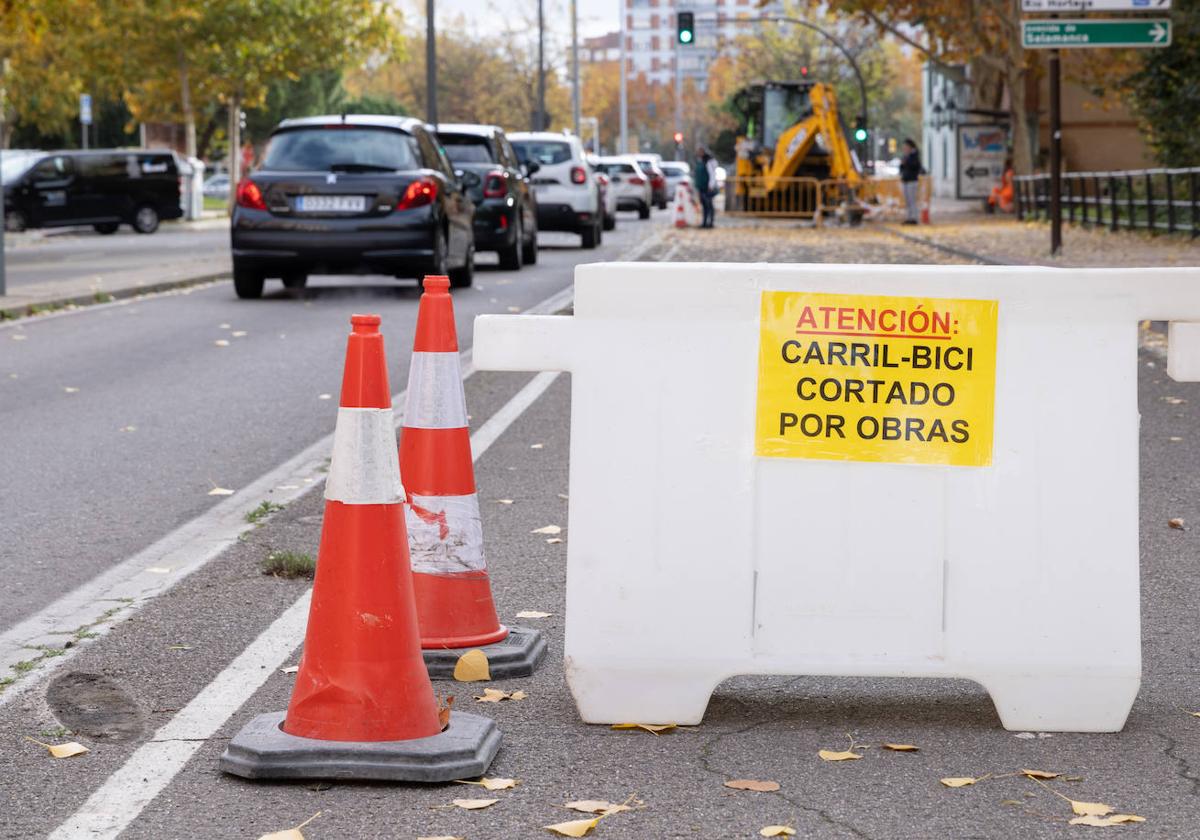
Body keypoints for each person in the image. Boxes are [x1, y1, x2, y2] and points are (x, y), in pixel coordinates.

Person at [899, 138, 925, 225]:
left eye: (906, 147)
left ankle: (914, 218)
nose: (905, 149)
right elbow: (902, 168)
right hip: (905, 180)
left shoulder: (914, 156)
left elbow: (915, 167)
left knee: (912, 200)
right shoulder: (906, 156)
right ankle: (909, 217)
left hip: (912, 181)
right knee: (907, 201)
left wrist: (906, 162)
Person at [694, 145, 718, 228]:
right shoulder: (700, 161)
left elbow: (712, 174)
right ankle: (704, 222)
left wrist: (711, 185)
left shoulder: (708, 161)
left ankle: (710, 222)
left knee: (709, 205)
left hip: (707, 187)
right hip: (701, 187)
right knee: (704, 205)